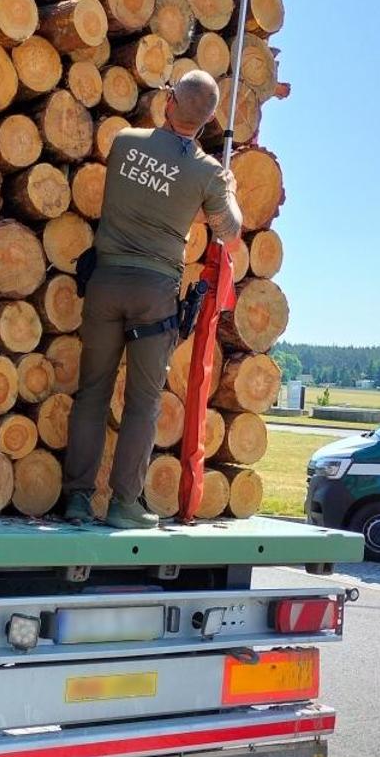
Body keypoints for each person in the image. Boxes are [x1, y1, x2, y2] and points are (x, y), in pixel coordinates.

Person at [61, 70, 244, 529]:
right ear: (205, 122)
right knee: (143, 403)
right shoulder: (207, 173)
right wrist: (228, 189)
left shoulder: (124, 142)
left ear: (169, 102)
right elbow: (231, 230)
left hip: (105, 282)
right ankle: (124, 504)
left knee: (92, 394)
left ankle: (78, 499)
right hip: (155, 294)